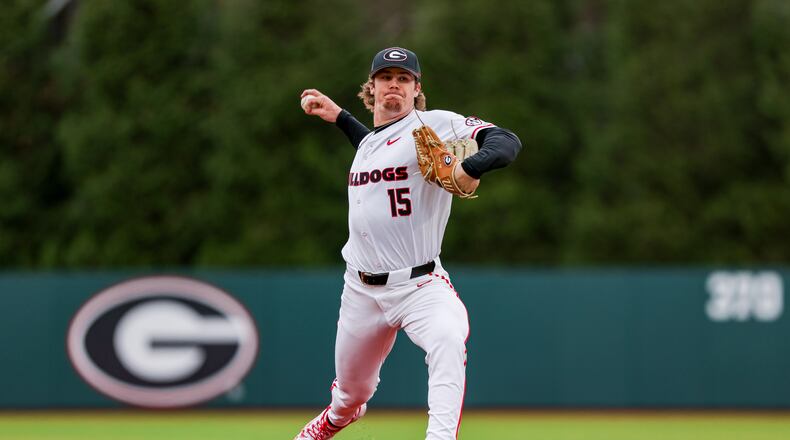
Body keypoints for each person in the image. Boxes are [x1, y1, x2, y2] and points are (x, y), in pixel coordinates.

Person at [295, 47, 522, 440]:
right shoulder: (370, 144)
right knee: (352, 393)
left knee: (448, 338)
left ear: (417, 89)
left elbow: (505, 141)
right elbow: (376, 146)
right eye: (386, 78)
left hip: (421, 285)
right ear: (372, 87)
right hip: (360, 289)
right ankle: (337, 417)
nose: (394, 85)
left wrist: (469, 166)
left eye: (404, 79)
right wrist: (340, 117)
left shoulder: (432, 125)